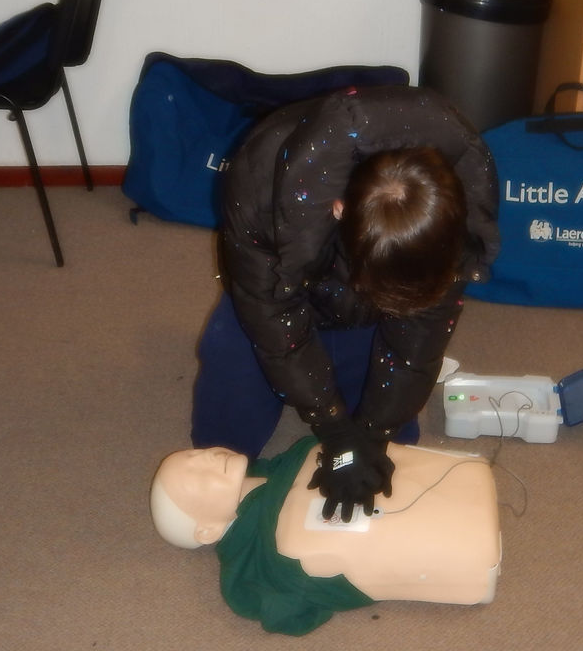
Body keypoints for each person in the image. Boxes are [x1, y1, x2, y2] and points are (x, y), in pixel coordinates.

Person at [191, 85, 499, 522]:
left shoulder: (458, 205)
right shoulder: (263, 190)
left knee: (394, 444)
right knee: (221, 451)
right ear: (337, 209)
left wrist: (373, 434)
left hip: (362, 302)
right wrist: (334, 429)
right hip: (282, 288)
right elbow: (271, 317)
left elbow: (421, 336)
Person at [150, 436, 502, 635]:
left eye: (195, 455)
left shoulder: (290, 459)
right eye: (199, 477)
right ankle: (470, 555)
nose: (208, 458)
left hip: (447, 483)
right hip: (457, 547)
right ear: (208, 530)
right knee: (304, 544)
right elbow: (286, 611)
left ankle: (468, 486)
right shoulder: (275, 560)